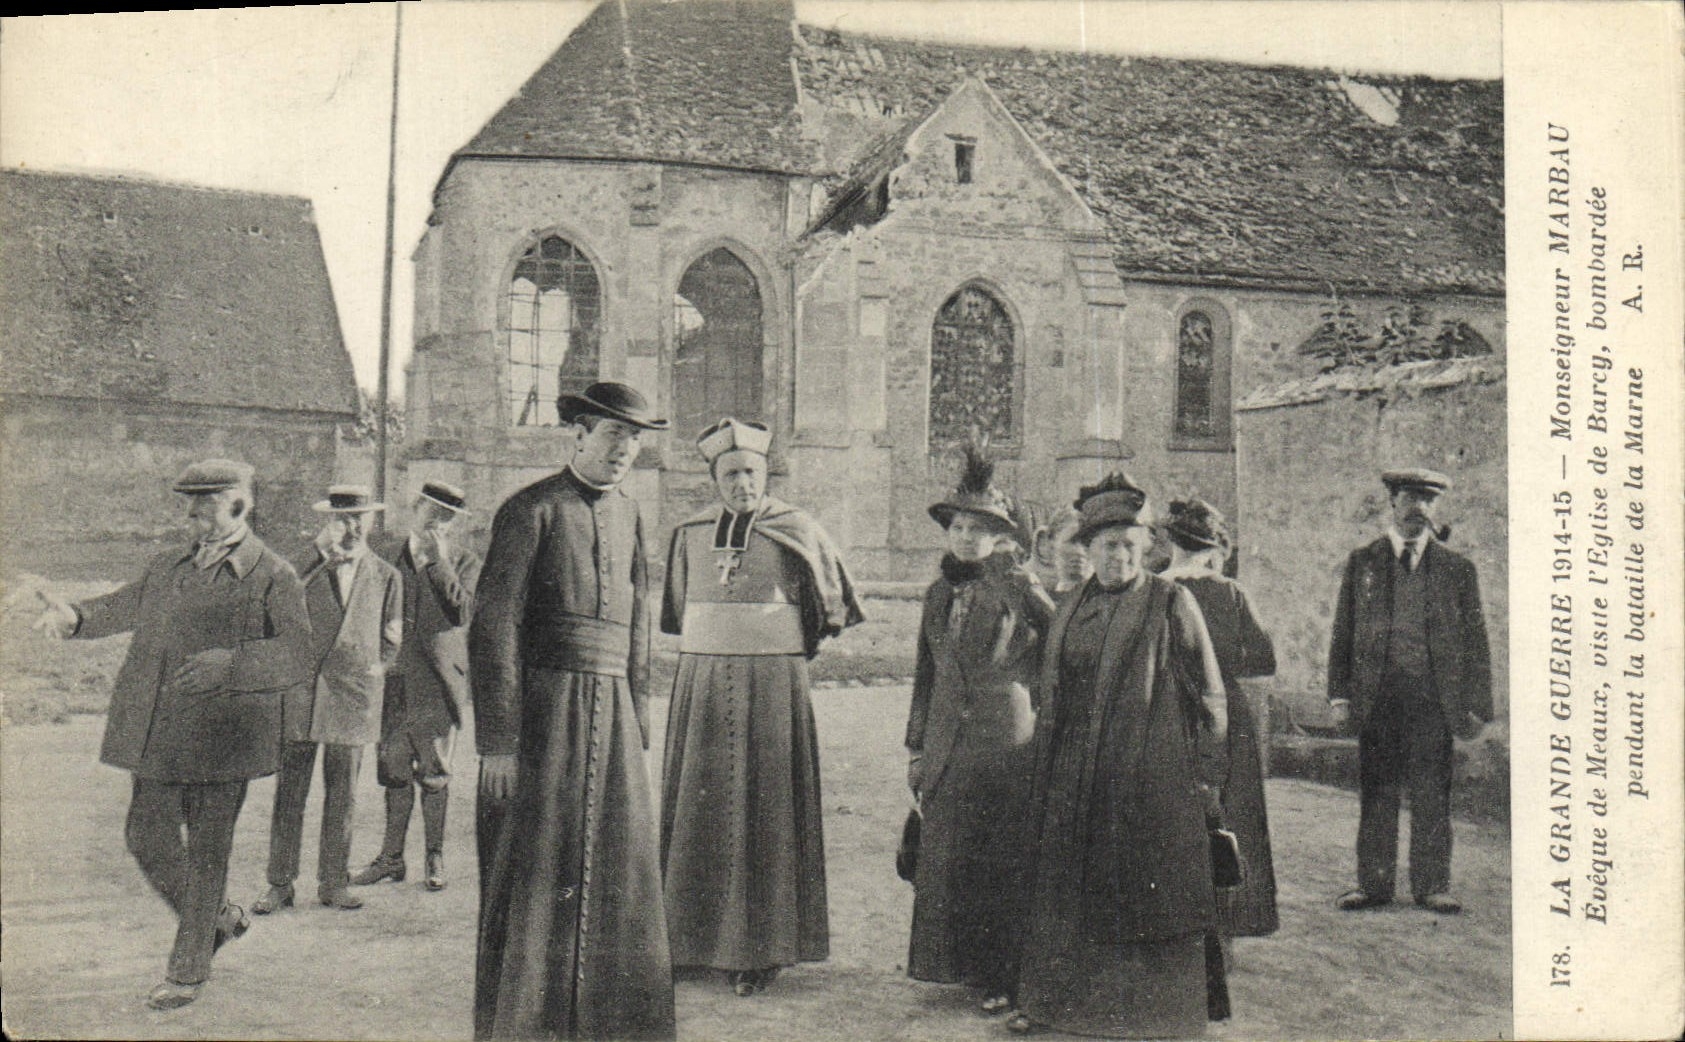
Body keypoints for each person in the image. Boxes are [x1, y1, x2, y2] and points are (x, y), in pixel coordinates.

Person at [34, 459, 311, 1009]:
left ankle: (188, 971)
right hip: (160, 733)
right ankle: (222, 918)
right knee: (146, 839)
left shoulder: (273, 574)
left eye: (203, 504)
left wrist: (231, 666)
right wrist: (74, 616)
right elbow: (121, 607)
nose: (190, 513)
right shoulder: (168, 566)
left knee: (209, 853)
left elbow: (298, 654)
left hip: (225, 736)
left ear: (239, 503)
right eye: (189, 502)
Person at [470, 381, 674, 1041]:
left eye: (634, 439)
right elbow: (494, 628)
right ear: (578, 435)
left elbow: (641, 616)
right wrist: (498, 742)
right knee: (535, 871)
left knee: (619, 870)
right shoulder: (529, 510)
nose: (624, 450)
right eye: (612, 435)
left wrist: (637, 712)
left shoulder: (632, 515)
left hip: (611, 713)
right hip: (543, 712)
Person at [1010, 473, 1228, 1039]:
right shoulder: (1071, 604)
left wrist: (1205, 776)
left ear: (1146, 549)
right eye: (1108, 545)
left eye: (1131, 546)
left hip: (1148, 771)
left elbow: (1209, 694)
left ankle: (1150, 1015)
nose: (1119, 557)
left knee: (1141, 886)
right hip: (1072, 766)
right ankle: (1061, 1006)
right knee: (1067, 883)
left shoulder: (1169, 601)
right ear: (1087, 549)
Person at [659, 417, 864, 997]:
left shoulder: (796, 527)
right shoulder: (689, 531)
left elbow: (832, 608)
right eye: (730, 474)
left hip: (772, 682)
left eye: (750, 472)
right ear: (715, 480)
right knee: (700, 802)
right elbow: (679, 609)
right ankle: (688, 938)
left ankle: (760, 947)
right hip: (701, 681)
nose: (741, 483)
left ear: (765, 472)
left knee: (764, 809)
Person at [904, 446, 1054, 1015]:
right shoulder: (938, 593)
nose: (966, 538)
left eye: (979, 529)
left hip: (1004, 741)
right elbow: (925, 675)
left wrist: (1023, 582)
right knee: (949, 857)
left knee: (999, 858)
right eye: (958, 527)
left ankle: (1003, 975)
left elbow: (1060, 635)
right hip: (947, 741)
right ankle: (961, 966)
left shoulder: (1015, 585)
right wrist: (917, 747)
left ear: (1000, 535)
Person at [1329, 468, 1492, 915]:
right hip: (1376, 698)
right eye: (1410, 498)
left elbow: (1476, 639)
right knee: (1377, 791)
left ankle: (1432, 885)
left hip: (1432, 702)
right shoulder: (1363, 562)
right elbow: (1343, 632)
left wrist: (1479, 704)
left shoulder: (1457, 569)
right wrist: (1339, 695)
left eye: (1428, 500)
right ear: (1393, 503)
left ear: (1435, 509)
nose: (1418, 508)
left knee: (1431, 794)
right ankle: (1374, 885)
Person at [255, 485, 402, 914]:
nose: (352, 527)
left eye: (360, 518)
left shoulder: (386, 576)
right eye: (343, 518)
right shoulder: (304, 566)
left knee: (343, 793)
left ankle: (334, 883)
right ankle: (279, 884)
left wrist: (379, 668)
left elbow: (393, 637)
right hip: (301, 690)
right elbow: (276, 597)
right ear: (329, 522)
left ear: (371, 522)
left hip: (352, 695)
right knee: (290, 791)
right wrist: (319, 557)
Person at [1159, 498, 1279, 1021]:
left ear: (1170, 546)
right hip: (1224, 716)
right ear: (1212, 552)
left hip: (1165, 714)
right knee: (1231, 819)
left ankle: (1175, 932)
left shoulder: (1157, 591)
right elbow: (1263, 657)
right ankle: (1228, 931)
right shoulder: (1230, 594)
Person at [354, 481, 480, 893]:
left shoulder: (463, 561)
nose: (438, 522)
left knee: (434, 772)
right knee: (392, 768)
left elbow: (463, 611)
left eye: (448, 517)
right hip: (392, 681)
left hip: (437, 685)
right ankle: (391, 858)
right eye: (433, 512)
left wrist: (438, 563)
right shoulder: (384, 555)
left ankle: (434, 856)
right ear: (415, 508)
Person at [1032, 504, 1091, 605]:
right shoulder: (1039, 600)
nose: (1080, 551)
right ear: (1052, 543)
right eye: (1072, 541)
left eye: (1086, 542)